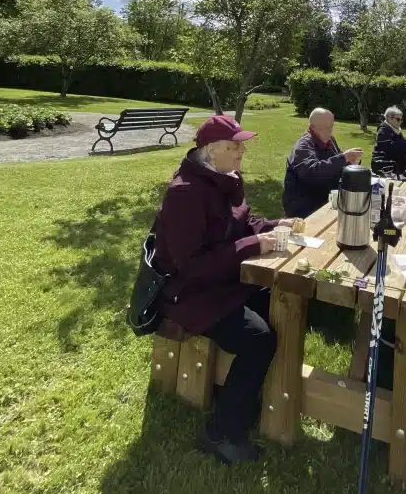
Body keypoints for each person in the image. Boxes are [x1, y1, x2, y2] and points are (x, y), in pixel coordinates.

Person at [151, 114, 299, 464]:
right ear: (210, 151)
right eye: (234, 146)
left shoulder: (225, 180)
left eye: (241, 145)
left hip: (221, 284)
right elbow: (193, 266)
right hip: (188, 295)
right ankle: (221, 433)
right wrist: (253, 247)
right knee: (259, 339)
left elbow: (245, 224)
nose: (242, 152)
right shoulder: (185, 194)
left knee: (278, 301)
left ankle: (242, 393)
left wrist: (279, 225)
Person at [283, 108, 363, 218]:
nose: (329, 132)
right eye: (324, 128)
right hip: (304, 208)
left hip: (324, 201)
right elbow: (312, 173)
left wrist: (350, 163)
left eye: (331, 127)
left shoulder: (330, 141)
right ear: (312, 127)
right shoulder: (303, 146)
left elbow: (335, 165)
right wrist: (343, 158)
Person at [371, 106, 406, 179]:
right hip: (386, 168)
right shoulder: (383, 132)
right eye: (398, 119)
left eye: (401, 119)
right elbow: (391, 149)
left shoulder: (395, 130)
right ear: (389, 119)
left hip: (395, 167)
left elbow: (401, 147)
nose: (400, 122)